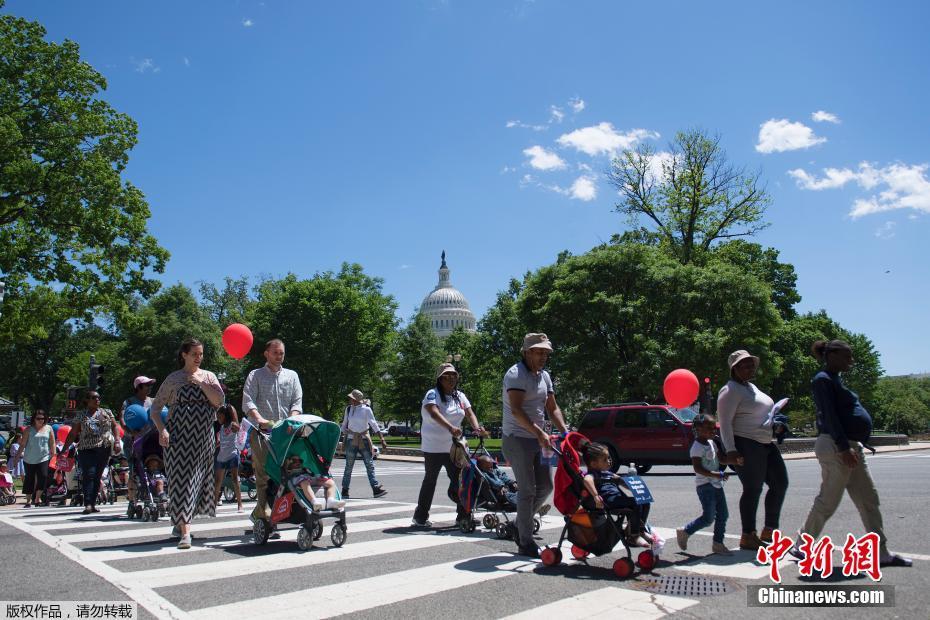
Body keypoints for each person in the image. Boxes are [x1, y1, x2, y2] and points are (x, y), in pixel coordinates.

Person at [791, 340, 912, 568]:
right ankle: (802, 546)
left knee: (868, 499)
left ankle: (881, 552)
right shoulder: (822, 380)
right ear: (832, 355)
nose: (851, 361)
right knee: (828, 501)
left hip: (850, 447)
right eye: (847, 356)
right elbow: (829, 415)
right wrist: (843, 447)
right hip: (837, 446)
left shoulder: (835, 379)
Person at [150, 338, 226, 550]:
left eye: (201, 354)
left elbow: (219, 401)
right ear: (184, 355)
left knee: (196, 483)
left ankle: (180, 522)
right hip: (178, 438)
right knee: (182, 481)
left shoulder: (209, 376)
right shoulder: (173, 379)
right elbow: (155, 409)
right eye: (194, 354)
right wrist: (162, 429)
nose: (198, 358)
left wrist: (201, 383)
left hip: (203, 440)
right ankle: (185, 533)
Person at [502, 332, 569, 558]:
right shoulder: (516, 374)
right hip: (516, 437)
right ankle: (525, 541)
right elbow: (516, 410)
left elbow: (552, 407)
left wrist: (565, 432)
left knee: (546, 486)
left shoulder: (545, 376)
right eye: (538, 352)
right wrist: (540, 433)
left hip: (539, 438)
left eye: (546, 353)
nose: (543, 357)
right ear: (526, 352)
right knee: (528, 490)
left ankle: (519, 524)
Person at [717, 349, 789, 550]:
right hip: (746, 442)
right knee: (753, 488)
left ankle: (770, 529)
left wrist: (776, 424)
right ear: (735, 368)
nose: (751, 367)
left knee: (780, 483)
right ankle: (748, 535)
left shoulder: (751, 387)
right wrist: (731, 450)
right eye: (745, 365)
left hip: (765, 442)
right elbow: (725, 422)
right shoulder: (730, 390)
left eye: (752, 364)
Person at [412, 363, 487, 527]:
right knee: (430, 480)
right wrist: (450, 428)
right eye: (447, 376)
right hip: (433, 447)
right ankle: (420, 517)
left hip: (455, 447)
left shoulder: (460, 396)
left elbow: (469, 413)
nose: (451, 379)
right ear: (440, 379)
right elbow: (433, 412)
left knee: (461, 480)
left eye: (454, 375)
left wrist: (477, 428)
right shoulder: (432, 394)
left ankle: (463, 515)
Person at [242, 339, 303, 528]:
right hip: (263, 433)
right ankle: (265, 516)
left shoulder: (292, 376)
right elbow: (248, 401)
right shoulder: (255, 375)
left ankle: (276, 510)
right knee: (263, 475)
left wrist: (292, 419)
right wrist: (259, 419)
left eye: (281, 353)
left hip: (286, 433)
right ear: (266, 354)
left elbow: (297, 401)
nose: (278, 356)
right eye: (275, 352)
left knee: (288, 474)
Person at [676, 414, 735, 555]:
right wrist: (717, 475)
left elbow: (722, 459)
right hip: (705, 486)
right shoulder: (696, 447)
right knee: (708, 518)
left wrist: (734, 461)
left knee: (723, 515)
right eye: (708, 428)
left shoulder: (712, 443)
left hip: (717, 485)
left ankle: (718, 544)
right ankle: (685, 531)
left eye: (714, 427)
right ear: (698, 429)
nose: (713, 430)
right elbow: (698, 469)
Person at [580, 441, 651, 547]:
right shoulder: (593, 474)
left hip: (617, 498)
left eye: (609, 458)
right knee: (636, 504)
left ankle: (639, 530)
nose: (609, 461)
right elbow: (587, 480)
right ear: (594, 464)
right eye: (605, 459)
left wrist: (633, 485)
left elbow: (622, 482)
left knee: (645, 501)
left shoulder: (608, 473)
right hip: (608, 500)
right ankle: (633, 536)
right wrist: (595, 496)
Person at [64, 395, 118, 514]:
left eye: (98, 398)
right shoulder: (81, 415)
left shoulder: (107, 412)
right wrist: (64, 449)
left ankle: (92, 504)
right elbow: (73, 433)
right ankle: (88, 503)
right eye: (94, 398)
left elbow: (115, 426)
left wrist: (117, 441)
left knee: (97, 476)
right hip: (86, 448)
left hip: (104, 447)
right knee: (89, 474)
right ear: (87, 400)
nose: (97, 399)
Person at [340, 389, 388, 499]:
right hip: (351, 439)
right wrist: (341, 433)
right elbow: (344, 424)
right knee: (349, 466)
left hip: (364, 439)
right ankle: (345, 490)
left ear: (356, 399)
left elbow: (374, 424)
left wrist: (382, 439)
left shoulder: (366, 409)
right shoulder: (348, 409)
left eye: (351, 398)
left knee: (369, 465)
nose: (349, 400)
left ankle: (375, 489)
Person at [20, 411, 56, 508]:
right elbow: (22, 444)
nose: (41, 420)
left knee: (43, 476)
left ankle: (37, 498)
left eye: (42, 418)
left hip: (44, 457)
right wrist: (16, 457)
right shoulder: (28, 429)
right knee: (29, 479)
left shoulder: (49, 428)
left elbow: (52, 442)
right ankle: (28, 501)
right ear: (34, 419)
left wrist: (54, 454)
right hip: (29, 458)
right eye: (38, 418)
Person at [213, 404, 243, 513]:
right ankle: (214, 505)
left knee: (235, 479)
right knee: (218, 481)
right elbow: (220, 440)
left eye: (220, 417)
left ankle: (240, 505)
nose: (218, 419)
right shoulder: (221, 428)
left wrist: (238, 426)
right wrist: (216, 443)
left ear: (225, 416)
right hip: (222, 455)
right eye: (217, 417)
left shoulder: (233, 425)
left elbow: (240, 430)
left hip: (232, 454)